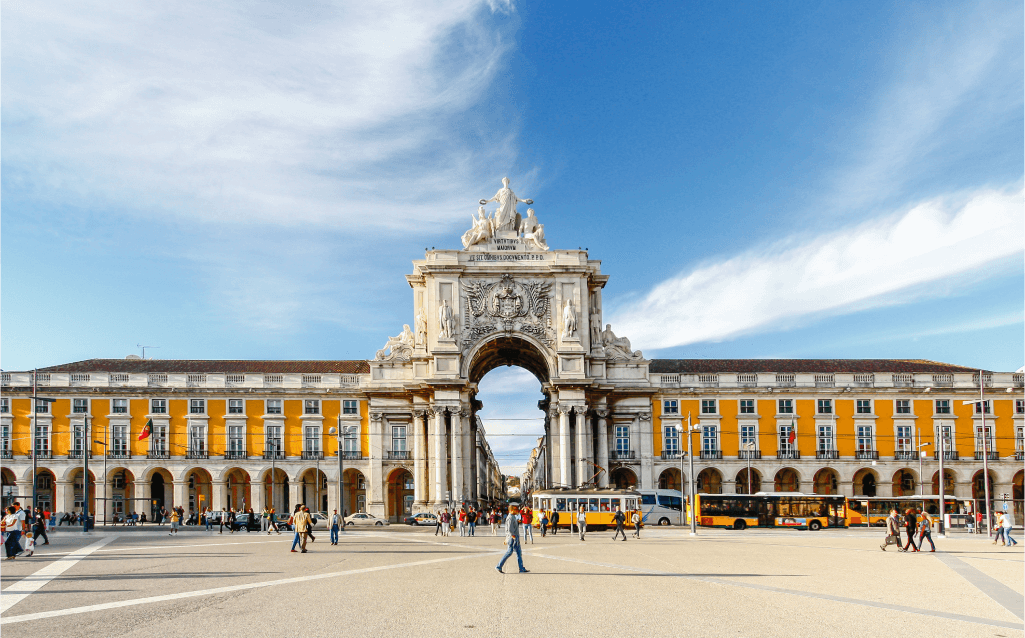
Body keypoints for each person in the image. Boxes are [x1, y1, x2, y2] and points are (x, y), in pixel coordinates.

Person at [495, 505, 529, 574]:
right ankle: (498, 566)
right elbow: (509, 529)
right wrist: (512, 537)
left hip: (515, 536)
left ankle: (521, 568)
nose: (517, 511)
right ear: (511, 510)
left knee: (519, 553)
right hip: (513, 537)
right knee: (509, 552)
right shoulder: (510, 517)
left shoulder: (513, 517)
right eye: (515, 509)